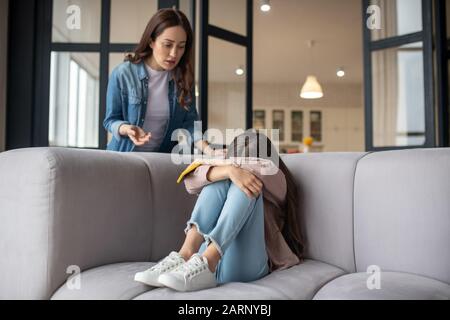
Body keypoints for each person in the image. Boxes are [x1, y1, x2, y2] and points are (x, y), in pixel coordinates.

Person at [134, 130, 305, 292]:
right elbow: (190, 183)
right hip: (195, 267)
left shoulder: (275, 179)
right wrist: (228, 170)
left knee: (247, 185)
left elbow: (255, 170)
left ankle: (210, 261)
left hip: (243, 266)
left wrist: (227, 166)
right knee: (219, 180)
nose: (235, 165)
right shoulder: (230, 169)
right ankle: (184, 254)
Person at [103, 8, 224, 156]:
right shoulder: (123, 73)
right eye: (167, 45)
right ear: (151, 41)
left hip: (161, 161)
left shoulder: (183, 79)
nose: (174, 54)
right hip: (124, 158)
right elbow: (110, 120)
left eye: (181, 46)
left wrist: (209, 150)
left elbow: (190, 124)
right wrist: (127, 129)